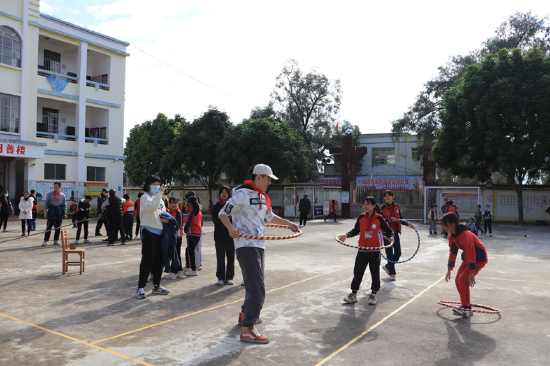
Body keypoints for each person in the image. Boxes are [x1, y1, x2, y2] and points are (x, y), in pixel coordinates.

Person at [219, 164, 299, 344]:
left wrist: (287, 223)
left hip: (258, 245)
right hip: (245, 244)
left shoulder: (262, 197)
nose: (270, 182)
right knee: (258, 289)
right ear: (258, 177)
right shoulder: (241, 194)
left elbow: (270, 217)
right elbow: (223, 213)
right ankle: (248, 328)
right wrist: (231, 228)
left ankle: (243, 315)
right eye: (268, 178)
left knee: (253, 284)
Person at [339, 196, 394, 305]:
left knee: (375, 273)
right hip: (362, 250)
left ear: (373, 206)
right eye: (364, 204)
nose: (365, 206)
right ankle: (353, 294)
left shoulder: (379, 218)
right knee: (357, 272)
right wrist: (346, 235)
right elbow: (356, 230)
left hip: (374, 251)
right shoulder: (361, 218)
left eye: (368, 204)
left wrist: (391, 237)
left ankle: (373, 295)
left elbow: (388, 230)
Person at [442, 212, 488, 317]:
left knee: (463, 280)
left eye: (445, 224)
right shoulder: (452, 237)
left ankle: (466, 308)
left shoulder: (465, 235)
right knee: (458, 280)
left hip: (478, 259)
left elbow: (472, 252)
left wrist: (471, 273)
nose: (443, 227)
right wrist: (449, 269)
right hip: (468, 258)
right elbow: (453, 253)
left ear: (453, 224)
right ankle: (465, 305)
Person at [136, 175, 169, 299]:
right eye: (154, 183)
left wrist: (166, 219)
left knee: (159, 261)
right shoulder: (145, 197)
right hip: (149, 231)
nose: (157, 186)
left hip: (160, 232)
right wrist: (160, 193)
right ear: (148, 184)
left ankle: (156, 285)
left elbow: (160, 212)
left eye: (158, 184)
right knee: (147, 260)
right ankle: (141, 287)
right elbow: (152, 207)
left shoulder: (160, 199)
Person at [212, 186, 235, 285]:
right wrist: (226, 221)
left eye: (226, 192)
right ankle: (220, 277)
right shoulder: (216, 207)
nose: (224, 194)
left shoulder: (233, 207)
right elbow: (216, 220)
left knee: (231, 257)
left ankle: (229, 277)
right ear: (219, 194)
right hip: (219, 236)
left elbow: (235, 220)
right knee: (220, 257)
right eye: (222, 192)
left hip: (231, 236)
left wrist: (229, 224)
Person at [380, 190, 404, 281]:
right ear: (384, 198)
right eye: (385, 196)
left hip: (396, 233)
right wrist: (389, 219)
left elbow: (400, 218)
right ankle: (392, 273)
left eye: (389, 196)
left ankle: (387, 266)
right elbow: (380, 220)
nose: (387, 197)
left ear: (393, 196)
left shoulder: (397, 206)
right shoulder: (382, 208)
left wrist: (408, 224)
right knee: (389, 254)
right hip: (386, 234)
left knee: (398, 253)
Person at [164, 197, 184, 279]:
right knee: (175, 253)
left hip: (177, 236)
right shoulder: (168, 212)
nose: (172, 205)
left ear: (177, 203)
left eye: (174, 203)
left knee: (175, 253)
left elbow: (179, 225)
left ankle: (174, 271)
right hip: (171, 236)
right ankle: (179, 270)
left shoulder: (178, 212)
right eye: (171, 203)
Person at [183, 196, 202, 276]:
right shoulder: (200, 212)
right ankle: (192, 268)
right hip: (198, 234)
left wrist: (185, 230)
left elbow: (188, 224)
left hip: (192, 234)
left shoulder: (191, 213)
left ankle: (193, 269)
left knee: (190, 252)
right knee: (191, 251)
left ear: (190, 204)